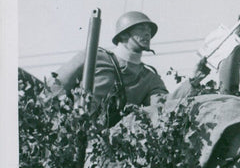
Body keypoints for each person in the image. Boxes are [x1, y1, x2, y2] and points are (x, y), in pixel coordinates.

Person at [49, 10, 208, 124]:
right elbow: (53, 85)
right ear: (123, 34)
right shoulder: (94, 56)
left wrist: (193, 81)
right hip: (74, 134)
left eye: (149, 31)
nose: (147, 34)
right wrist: (66, 115)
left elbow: (163, 108)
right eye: (141, 29)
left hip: (110, 148)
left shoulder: (150, 77)